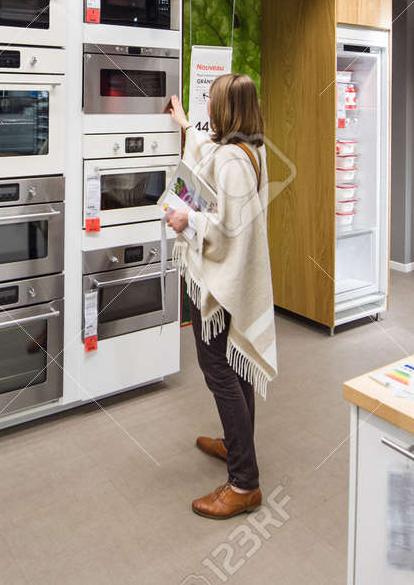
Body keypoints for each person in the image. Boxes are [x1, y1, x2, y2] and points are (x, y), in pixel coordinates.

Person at [165, 73, 278, 520]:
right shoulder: (250, 149)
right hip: (237, 281)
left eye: (211, 102)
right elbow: (207, 153)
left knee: (217, 369)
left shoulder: (231, 162)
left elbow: (230, 228)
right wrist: (184, 124)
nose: (207, 108)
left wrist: (185, 220)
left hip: (220, 280)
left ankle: (243, 482)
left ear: (226, 109)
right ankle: (236, 444)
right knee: (235, 361)